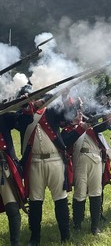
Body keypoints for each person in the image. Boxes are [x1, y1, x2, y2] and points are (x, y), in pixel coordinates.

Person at [19, 95, 76, 245]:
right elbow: (24, 121)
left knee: (60, 198)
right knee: (35, 202)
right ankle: (35, 237)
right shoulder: (23, 115)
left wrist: (65, 96)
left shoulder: (51, 111)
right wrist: (27, 106)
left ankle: (65, 235)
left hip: (55, 160)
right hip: (34, 162)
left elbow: (67, 116)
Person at [0, 110, 30, 246]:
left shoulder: (3, 115)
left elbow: (24, 121)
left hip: (3, 167)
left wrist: (25, 106)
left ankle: (15, 243)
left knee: (12, 208)